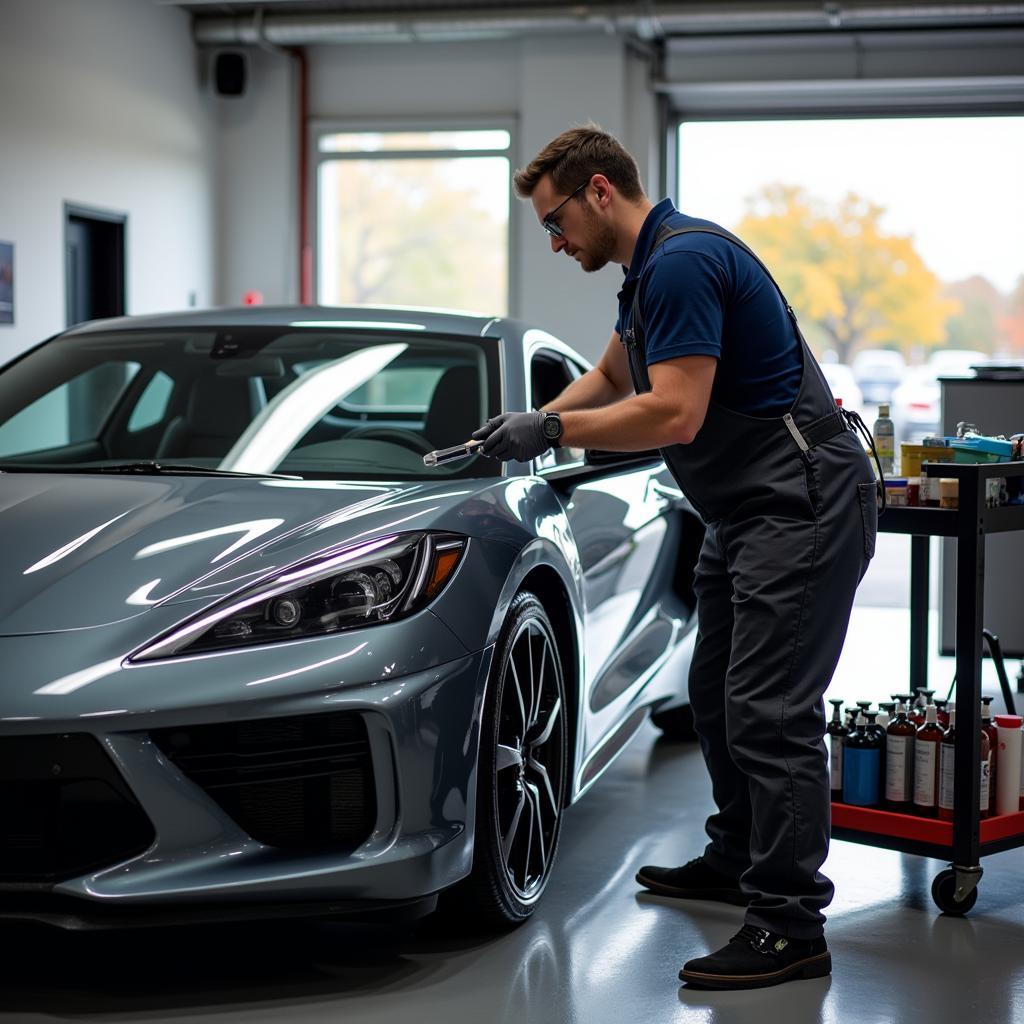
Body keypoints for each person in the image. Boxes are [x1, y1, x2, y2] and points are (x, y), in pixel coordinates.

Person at [472, 124, 877, 990]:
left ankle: (789, 924)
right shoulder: (646, 275)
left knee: (770, 711)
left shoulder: (685, 262)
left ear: (599, 192)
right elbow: (615, 382)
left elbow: (673, 414)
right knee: (716, 692)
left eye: (555, 221)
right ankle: (737, 856)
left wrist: (549, 428)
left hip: (798, 502)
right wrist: (526, 437)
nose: (554, 241)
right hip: (744, 509)